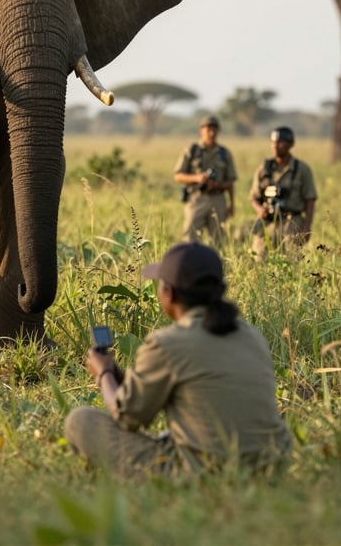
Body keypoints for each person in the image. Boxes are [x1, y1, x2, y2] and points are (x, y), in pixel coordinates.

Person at [64, 242, 292, 478]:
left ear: (169, 293)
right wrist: (121, 377)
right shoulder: (252, 336)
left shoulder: (167, 343)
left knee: (80, 421)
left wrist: (103, 374)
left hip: (206, 473)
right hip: (270, 465)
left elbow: (127, 416)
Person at [249, 127, 317, 259]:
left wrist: (307, 228)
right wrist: (260, 210)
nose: (276, 146)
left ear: (291, 144)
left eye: (280, 142)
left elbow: (310, 199)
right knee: (259, 259)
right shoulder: (264, 169)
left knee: (292, 261)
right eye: (273, 142)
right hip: (268, 221)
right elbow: (253, 197)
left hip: (292, 221)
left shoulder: (302, 169)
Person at [173, 115, 237, 244]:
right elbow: (178, 175)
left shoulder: (224, 153)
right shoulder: (191, 150)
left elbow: (231, 182)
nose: (212, 133)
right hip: (197, 198)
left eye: (215, 130)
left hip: (218, 199)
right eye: (209, 130)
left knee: (218, 239)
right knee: (190, 238)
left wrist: (231, 204)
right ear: (201, 130)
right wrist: (197, 178)